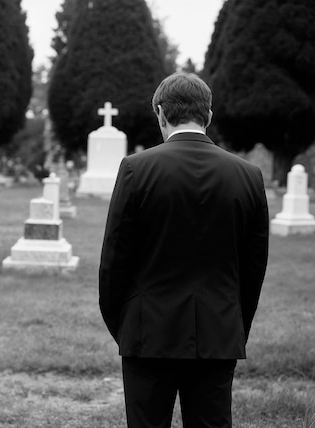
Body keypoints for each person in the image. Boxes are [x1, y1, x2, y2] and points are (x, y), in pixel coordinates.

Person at [99, 72, 269, 428]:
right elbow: (253, 269)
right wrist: (233, 324)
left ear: (161, 113)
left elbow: (114, 261)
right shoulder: (247, 175)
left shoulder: (136, 169)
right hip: (218, 330)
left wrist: (126, 325)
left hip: (147, 332)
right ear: (208, 115)